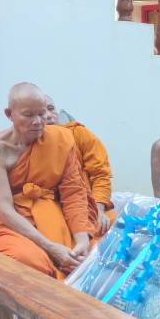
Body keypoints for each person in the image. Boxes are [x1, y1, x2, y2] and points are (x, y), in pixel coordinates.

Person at [0, 83, 96, 279]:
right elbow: (5, 210)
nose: (38, 121)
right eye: (28, 115)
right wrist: (51, 248)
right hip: (10, 223)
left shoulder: (61, 139)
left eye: (42, 113)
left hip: (51, 213)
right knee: (25, 260)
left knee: (95, 251)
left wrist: (82, 239)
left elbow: (73, 192)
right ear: (9, 114)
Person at [42, 98, 115, 233]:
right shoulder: (27, 144)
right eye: (41, 112)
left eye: (51, 109)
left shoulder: (78, 133)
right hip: (51, 207)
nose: (48, 115)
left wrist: (99, 210)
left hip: (88, 205)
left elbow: (100, 174)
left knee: (113, 230)